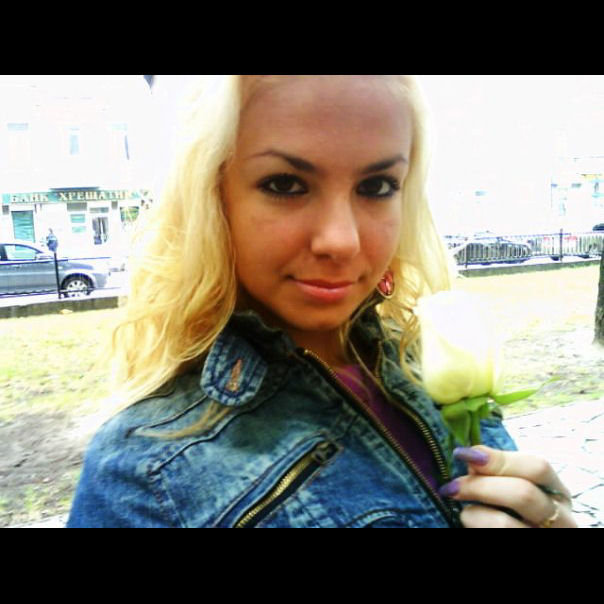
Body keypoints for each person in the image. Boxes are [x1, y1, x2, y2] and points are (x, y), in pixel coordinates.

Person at [67, 75, 576, 528]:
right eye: (286, 184)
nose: (341, 240)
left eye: (377, 186)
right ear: (213, 196)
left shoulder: (433, 363)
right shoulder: (144, 474)